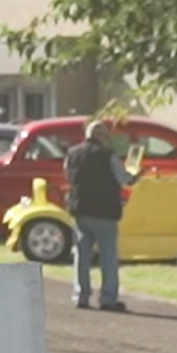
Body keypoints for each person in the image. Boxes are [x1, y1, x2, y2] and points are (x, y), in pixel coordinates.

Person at [61, 120, 129, 313]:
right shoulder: (108, 156)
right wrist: (136, 175)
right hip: (105, 211)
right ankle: (108, 298)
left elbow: (68, 175)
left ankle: (81, 295)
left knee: (82, 255)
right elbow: (123, 179)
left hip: (81, 210)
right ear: (101, 136)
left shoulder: (73, 154)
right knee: (108, 257)